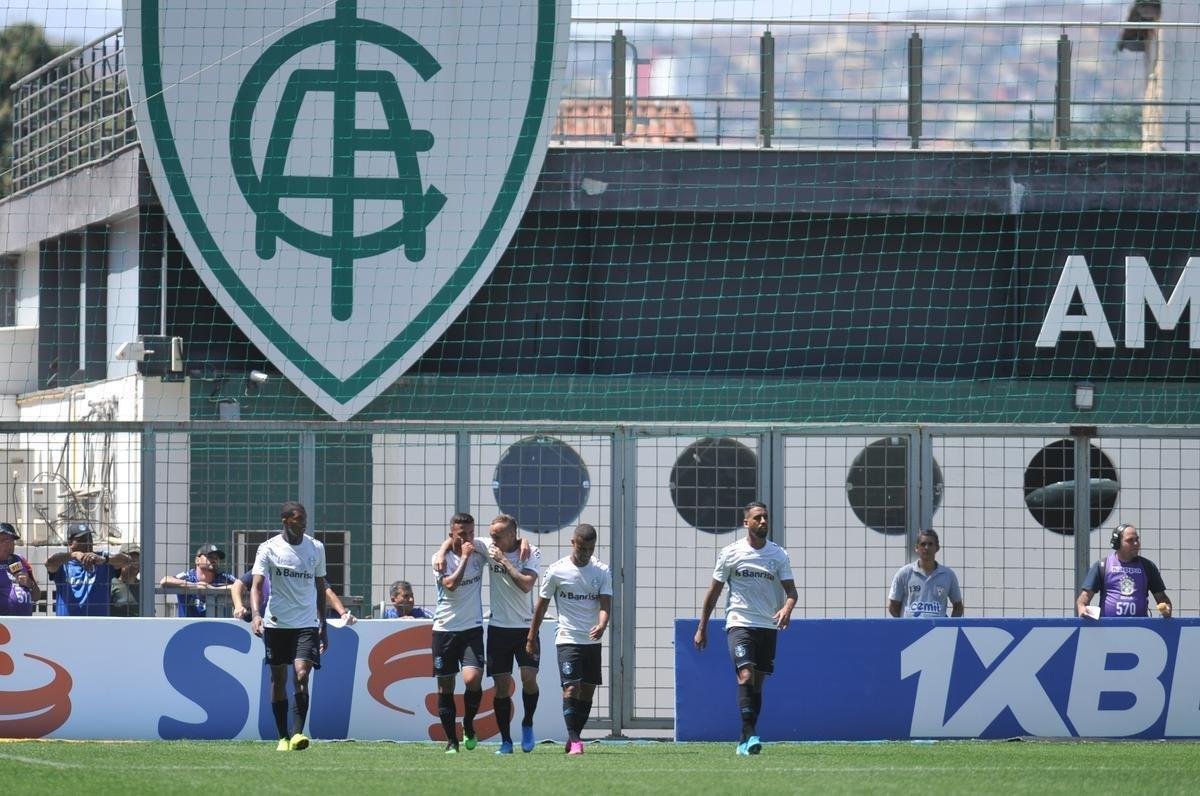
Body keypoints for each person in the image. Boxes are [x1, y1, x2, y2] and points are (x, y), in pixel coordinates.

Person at [693, 502, 797, 757]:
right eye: (757, 518)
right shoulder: (731, 553)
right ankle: (751, 735)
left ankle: (744, 738)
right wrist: (702, 627)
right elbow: (713, 592)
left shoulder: (778, 554)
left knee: (757, 685)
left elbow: (792, 592)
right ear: (746, 523)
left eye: (765, 517)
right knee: (745, 675)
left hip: (767, 625)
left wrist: (786, 609)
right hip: (739, 623)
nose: (763, 522)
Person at [526, 523, 611, 756]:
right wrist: (531, 637)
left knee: (588, 692)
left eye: (590, 549)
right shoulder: (556, 571)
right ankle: (574, 740)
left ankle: (574, 736)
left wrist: (602, 624)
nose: (586, 553)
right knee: (572, 688)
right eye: (582, 548)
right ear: (573, 543)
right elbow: (541, 606)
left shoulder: (602, 571)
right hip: (567, 638)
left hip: (592, 641)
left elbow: (605, 605)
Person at [251, 501, 329, 752]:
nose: (304, 523)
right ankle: (282, 737)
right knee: (278, 679)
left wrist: (323, 624)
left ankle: (297, 734)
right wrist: (256, 614)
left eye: (305, 518)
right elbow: (256, 585)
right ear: (285, 520)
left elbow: (320, 588)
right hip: (276, 623)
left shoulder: (316, 548)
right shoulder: (268, 548)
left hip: (306, 623)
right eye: (298, 519)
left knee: (302, 675)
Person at [430, 512, 487, 753]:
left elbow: (506, 542)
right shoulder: (439, 559)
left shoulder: (479, 550)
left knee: (472, 680)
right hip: (445, 629)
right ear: (451, 534)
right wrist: (461, 556)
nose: (468, 538)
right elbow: (451, 585)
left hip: (472, 628)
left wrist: (524, 542)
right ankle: (451, 741)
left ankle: (468, 724)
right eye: (462, 534)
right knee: (445, 686)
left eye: (471, 533)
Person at [1077, 523, 1173, 619]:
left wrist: (1166, 610)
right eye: (1130, 540)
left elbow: (1162, 598)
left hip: (1140, 626)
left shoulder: (1148, 566)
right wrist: (1083, 609)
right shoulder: (1102, 565)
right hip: (1108, 627)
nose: (1136, 543)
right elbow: (1083, 600)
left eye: (1137, 539)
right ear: (1117, 544)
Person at [45, 521, 130, 616]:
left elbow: (127, 560)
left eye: (90, 538)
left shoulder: (101, 558)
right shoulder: (63, 563)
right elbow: (49, 563)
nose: (88, 542)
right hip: (68, 624)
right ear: (70, 543)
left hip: (97, 623)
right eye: (82, 540)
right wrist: (74, 555)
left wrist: (104, 560)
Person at [230, 568, 356, 625]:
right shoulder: (262, 568)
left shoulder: (305, 568)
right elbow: (237, 585)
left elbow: (327, 592)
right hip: (265, 624)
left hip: (298, 624)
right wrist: (238, 606)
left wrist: (343, 613)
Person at [887, 529, 965, 618]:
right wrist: (905, 623)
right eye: (923, 544)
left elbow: (958, 607)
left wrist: (948, 625)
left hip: (937, 627)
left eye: (930, 544)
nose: (926, 547)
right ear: (916, 548)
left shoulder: (948, 575)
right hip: (911, 626)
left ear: (937, 548)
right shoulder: (904, 573)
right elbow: (893, 606)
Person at [160, 543, 236, 617]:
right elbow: (165, 580)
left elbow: (240, 585)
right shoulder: (188, 576)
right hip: (189, 624)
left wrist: (213, 589)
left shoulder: (223, 578)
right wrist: (195, 586)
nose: (214, 560)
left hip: (216, 624)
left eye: (217, 558)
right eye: (210, 557)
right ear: (197, 560)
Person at [0, 522, 39, 616]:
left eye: (12, 541)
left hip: (25, 621)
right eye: (5, 541)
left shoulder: (20, 560)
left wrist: (30, 584)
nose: (9, 545)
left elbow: (36, 596)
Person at [110, 542, 142, 617]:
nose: (135, 565)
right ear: (120, 562)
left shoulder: (144, 587)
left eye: (138, 561)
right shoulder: (111, 584)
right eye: (131, 561)